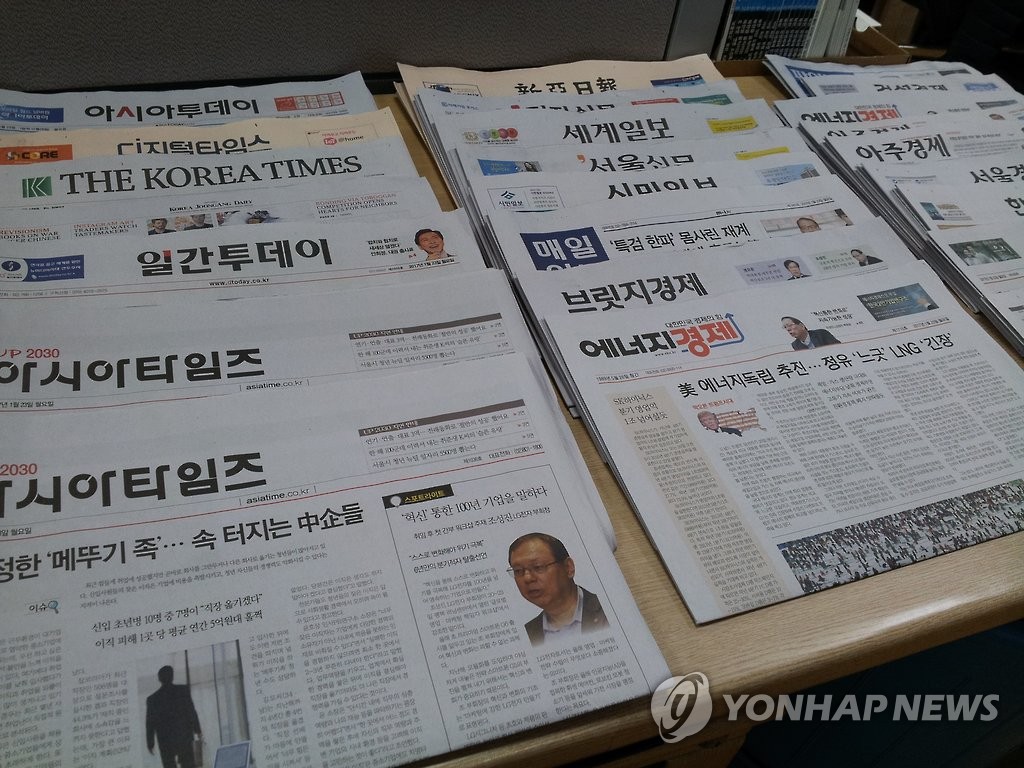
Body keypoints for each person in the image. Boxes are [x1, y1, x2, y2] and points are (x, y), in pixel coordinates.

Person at [508, 532, 608, 646]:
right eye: (518, 571)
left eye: (538, 567)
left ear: (568, 568)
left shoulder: (607, 609)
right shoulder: (529, 633)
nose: (527, 578)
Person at [146, 665, 202, 768]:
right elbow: (191, 712)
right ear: (172, 676)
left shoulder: (153, 699)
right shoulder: (183, 691)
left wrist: (150, 743)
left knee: (169, 765)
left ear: (159, 679)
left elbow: (150, 724)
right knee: (188, 764)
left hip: (165, 741)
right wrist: (197, 730)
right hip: (184, 736)